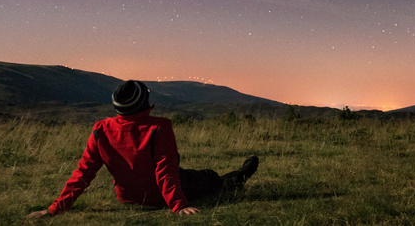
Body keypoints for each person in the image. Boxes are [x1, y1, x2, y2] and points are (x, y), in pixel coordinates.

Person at [28, 80, 259, 218]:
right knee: (209, 177)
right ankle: (241, 175)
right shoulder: (159, 127)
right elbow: (165, 170)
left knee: (194, 175)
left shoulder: (100, 129)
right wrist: (178, 205)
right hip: (161, 197)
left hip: (127, 199)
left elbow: (83, 173)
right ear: (144, 103)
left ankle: (236, 175)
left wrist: (54, 209)